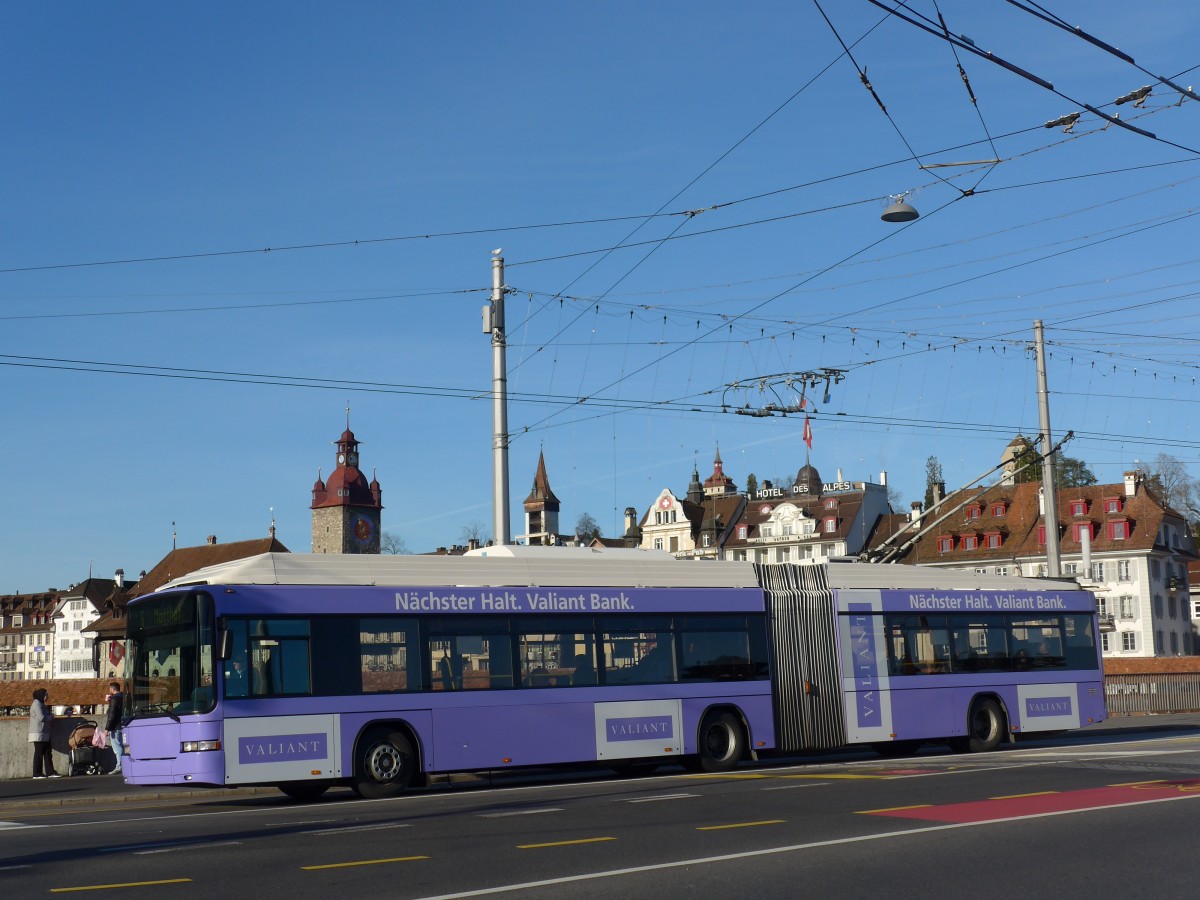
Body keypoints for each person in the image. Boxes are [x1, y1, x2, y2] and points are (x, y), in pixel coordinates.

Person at [28, 688, 60, 779]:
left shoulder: (40, 704)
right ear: (41, 695)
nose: (47, 697)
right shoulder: (37, 704)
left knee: (47, 752)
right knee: (39, 753)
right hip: (38, 733)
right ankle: (37, 773)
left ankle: (50, 772)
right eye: (46, 695)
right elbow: (42, 717)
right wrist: (51, 717)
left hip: (43, 733)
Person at [103, 681, 126, 774]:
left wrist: (107, 729)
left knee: (117, 747)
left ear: (112, 689)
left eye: (110, 689)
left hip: (115, 726)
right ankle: (124, 765)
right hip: (123, 724)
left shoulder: (114, 699)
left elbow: (112, 715)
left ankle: (119, 766)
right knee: (122, 746)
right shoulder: (124, 697)